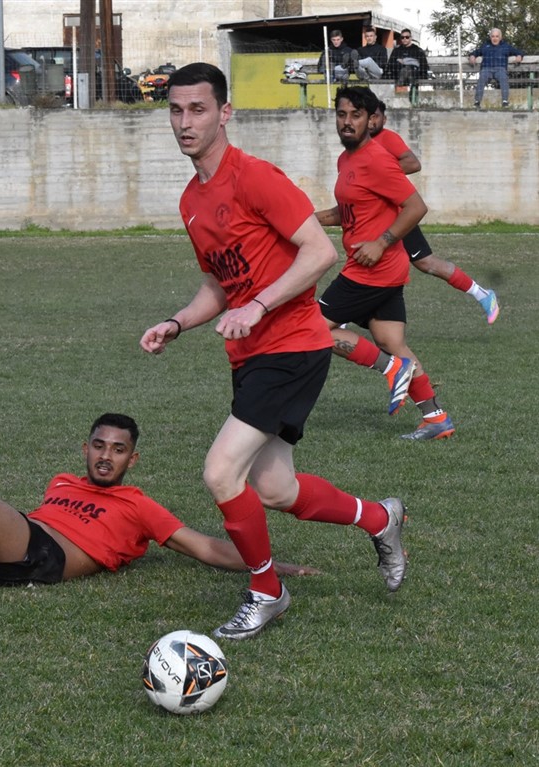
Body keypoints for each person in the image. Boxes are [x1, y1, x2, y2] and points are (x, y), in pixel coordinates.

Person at [138, 63, 407, 641]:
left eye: (198, 109)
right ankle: (380, 518)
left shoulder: (255, 177)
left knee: (220, 472)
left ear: (225, 113)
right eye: (176, 111)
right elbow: (220, 284)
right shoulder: (191, 201)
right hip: (250, 355)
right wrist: (177, 322)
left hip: (293, 345)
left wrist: (259, 306)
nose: (185, 122)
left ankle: (267, 591)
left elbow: (319, 252)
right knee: (276, 490)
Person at [0, 306, 317, 586]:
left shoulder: (139, 506)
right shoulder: (61, 482)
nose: (105, 456)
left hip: (37, 559)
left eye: (117, 450)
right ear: (85, 449)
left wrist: (271, 566)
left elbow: (203, 546)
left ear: (133, 459)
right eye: (99, 446)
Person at [314, 87, 454, 442]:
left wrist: (381, 242)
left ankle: (392, 369)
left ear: (370, 120)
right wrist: (304, 220)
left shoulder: (376, 159)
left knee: (310, 328)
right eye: (342, 114)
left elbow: (416, 207)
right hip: (384, 272)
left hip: (370, 270)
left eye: (356, 115)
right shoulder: (346, 160)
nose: (347, 122)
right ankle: (436, 418)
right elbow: (347, 211)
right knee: (391, 340)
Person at [370, 100, 499, 323]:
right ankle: (343, 315)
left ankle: (483, 295)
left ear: (384, 119)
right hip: (378, 215)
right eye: (368, 116)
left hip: (399, 216)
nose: (372, 121)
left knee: (425, 263)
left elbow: (413, 164)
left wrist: (379, 175)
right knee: (371, 263)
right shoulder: (361, 145)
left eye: (376, 116)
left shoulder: (387, 138)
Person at [469, 28, 525, 108]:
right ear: (490, 37)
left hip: (500, 69)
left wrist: (519, 56)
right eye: (493, 36)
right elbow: (475, 52)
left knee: (504, 79)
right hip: (487, 68)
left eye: (497, 36)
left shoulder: (506, 46)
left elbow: (518, 52)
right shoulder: (485, 46)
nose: (495, 38)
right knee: (481, 79)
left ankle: (505, 102)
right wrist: (472, 56)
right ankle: (477, 102)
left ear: (500, 37)